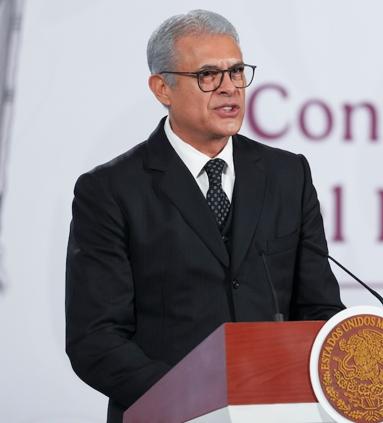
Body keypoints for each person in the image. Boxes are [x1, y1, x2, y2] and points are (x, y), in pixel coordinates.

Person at [64, 10, 345, 422]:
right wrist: (192, 400)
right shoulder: (109, 190)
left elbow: (320, 309)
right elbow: (95, 339)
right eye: (208, 75)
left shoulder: (288, 175)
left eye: (237, 72)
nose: (229, 88)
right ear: (162, 88)